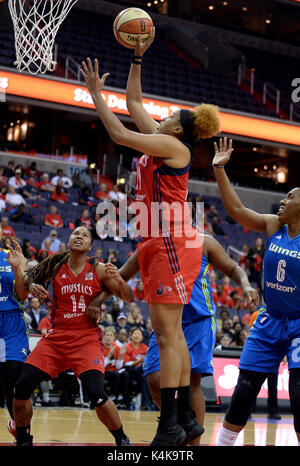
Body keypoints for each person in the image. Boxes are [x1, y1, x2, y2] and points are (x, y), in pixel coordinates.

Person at [80, 28, 220, 445]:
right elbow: (136, 103)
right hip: (156, 242)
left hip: (172, 242)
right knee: (168, 334)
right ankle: (184, 423)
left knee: (168, 334)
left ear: (177, 130)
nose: (167, 115)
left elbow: (120, 134)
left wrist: (95, 96)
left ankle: (171, 424)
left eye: (173, 116)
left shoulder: (176, 150)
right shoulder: (164, 140)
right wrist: (138, 56)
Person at [96, 236, 258, 444]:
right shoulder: (151, 244)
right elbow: (121, 276)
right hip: (166, 320)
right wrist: (98, 301)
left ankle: (192, 444)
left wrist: (245, 285)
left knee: (193, 383)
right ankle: (175, 425)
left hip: (198, 320)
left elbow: (233, 268)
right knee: (154, 377)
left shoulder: (204, 242)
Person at [212, 137, 300, 446]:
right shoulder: (274, 225)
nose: (283, 200)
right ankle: (223, 443)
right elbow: (236, 209)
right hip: (269, 319)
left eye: (290, 196)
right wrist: (219, 167)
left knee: (299, 395)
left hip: (299, 324)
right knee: (245, 389)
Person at [12, 226, 134, 447]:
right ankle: (23, 439)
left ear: (90, 246)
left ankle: (121, 439)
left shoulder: (97, 268)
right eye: (75, 234)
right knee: (21, 386)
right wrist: (32, 285)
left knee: (96, 393)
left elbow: (128, 296)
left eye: (84, 235)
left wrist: (117, 281)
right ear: (68, 240)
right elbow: (23, 288)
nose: (79, 236)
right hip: (56, 338)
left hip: (85, 338)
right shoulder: (54, 265)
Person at [0, 224, 30, 440]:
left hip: (11, 322)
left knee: (14, 382)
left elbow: (24, 294)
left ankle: (22, 433)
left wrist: (19, 268)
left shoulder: (11, 256)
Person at [102, 326, 130, 409]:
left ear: (114, 338)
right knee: (116, 375)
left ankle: (121, 398)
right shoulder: (100, 347)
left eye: (111, 335)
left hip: (114, 370)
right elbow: (102, 366)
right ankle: (114, 397)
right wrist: (110, 354)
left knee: (125, 375)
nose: (108, 337)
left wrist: (121, 356)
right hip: (104, 371)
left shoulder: (117, 347)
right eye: (107, 335)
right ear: (103, 337)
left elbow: (118, 366)